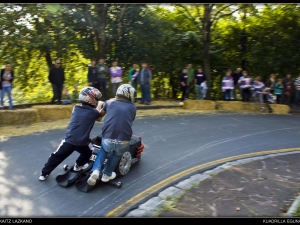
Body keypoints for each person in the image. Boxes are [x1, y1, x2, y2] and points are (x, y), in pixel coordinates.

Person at [39, 87, 103, 181]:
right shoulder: (93, 112)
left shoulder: (75, 108)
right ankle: (79, 165)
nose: (97, 101)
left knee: (56, 156)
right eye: (96, 99)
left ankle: (44, 174)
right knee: (90, 151)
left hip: (68, 140)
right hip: (82, 143)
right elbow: (99, 117)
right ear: (90, 99)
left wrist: (97, 107)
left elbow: (93, 114)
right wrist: (101, 105)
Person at [87, 84, 137, 185]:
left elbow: (99, 115)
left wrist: (99, 105)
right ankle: (106, 174)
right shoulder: (133, 107)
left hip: (108, 138)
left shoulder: (109, 102)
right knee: (116, 154)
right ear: (130, 95)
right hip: (123, 139)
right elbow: (130, 120)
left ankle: (96, 170)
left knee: (103, 150)